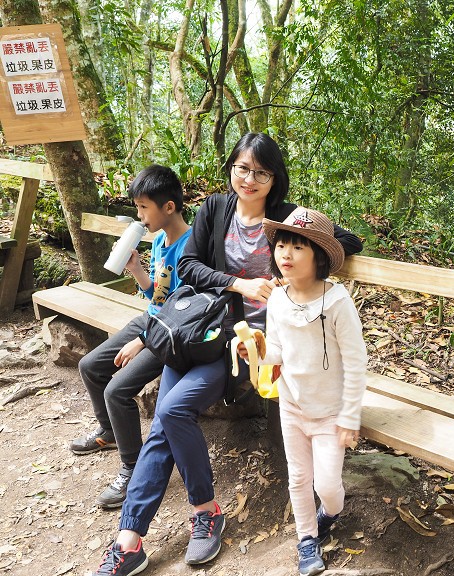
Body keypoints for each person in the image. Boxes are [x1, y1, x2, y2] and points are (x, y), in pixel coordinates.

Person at [92, 132, 363, 576]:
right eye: (242, 168)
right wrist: (239, 283)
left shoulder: (282, 218)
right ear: (231, 168)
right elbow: (188, 266)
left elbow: (344, 241)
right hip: (201, 333)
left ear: (275, 179)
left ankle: (196, 515)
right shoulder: (216, 209)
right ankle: (133, 536)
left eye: (261, 172)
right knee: (165, 419)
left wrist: (294, 274)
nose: (249, 179)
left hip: (247, 346)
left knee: (172, 412)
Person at [69, 164, 191, 509]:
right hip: (151, 319)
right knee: (90, 366)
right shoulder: (159, 240)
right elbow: (158, 297)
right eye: (137, 207)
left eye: (143, 207)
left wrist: (145, 341)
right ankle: (108, 433)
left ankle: (133, 468)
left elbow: (183, 310)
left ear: (168, 207)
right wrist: (138, 269)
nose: (139, 215)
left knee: (117, 389)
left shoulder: (189, 245)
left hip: (171, 333)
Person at [257, 207, 367, 576]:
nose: (286, 254)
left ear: (319, 255)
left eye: (298, 247)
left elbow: (355, 363)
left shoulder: (337, 302)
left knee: (329, 485)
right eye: (281, 245)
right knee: (299, 478)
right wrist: (256, 350)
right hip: (292, 405)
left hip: (331, 413)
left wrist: (350, 417)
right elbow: (276, 351)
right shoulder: (277, 298)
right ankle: (307, 540)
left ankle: (330, 513)